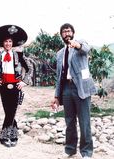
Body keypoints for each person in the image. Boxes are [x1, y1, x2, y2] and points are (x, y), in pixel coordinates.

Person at [51, 23, 96, 159]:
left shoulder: (80, 44)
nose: (67, 33)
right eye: (64, 32)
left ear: (73, 33)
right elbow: (59, 76)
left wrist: (77, 45)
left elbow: (87, 49)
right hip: (66, 89)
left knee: (84, 122)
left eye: (69, 31)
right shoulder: (59, 53)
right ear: (61, 35)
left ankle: (86, 152)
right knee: (69, 122)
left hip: (81, 88)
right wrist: (56, 96)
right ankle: (69, 150)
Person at [0, 25, 32, 147]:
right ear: (2, 43)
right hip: (3, 86)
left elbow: (30, 68)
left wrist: (24, 81)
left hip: (16, 86)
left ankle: (5, 136)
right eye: (6, 41)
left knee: (12, 111)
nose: (8, 43)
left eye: (10, 41)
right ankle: (13, 135)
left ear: (13, 43)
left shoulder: (19, 56)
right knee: (9, 111)